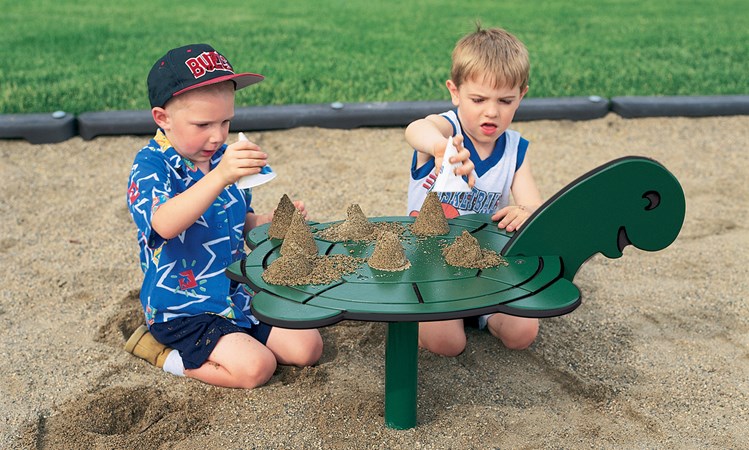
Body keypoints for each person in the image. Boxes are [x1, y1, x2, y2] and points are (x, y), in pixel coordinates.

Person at [124, 43, 322, 388]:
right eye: (202, 124)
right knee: (256, 368)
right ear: (162, 118)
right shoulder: (152, 165)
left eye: (226, 121)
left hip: (235, 292)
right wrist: (219, 177)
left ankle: (236, 339)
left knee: (308, 348)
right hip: (183, 306)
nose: (217, 135)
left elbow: (236, 221)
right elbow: (164, 224)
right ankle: (160, 353)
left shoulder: (226, 158)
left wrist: (271, 223)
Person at [405, 26, 542, 357]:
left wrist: (524, 213)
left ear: (521, 95)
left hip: (484, 268)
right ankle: (421, 318)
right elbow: (416, 129)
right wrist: (440, 149)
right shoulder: (446, 131)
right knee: (448, 344)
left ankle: (480, 315)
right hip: (431, 267)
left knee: (523, 331)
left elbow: (535, 208)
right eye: (478, 99)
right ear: (455, 92)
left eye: (505, 100)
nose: (491, 112)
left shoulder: (514, 149)